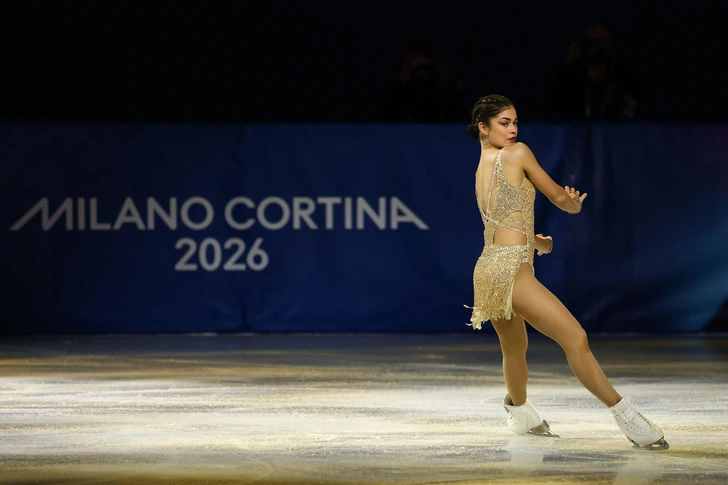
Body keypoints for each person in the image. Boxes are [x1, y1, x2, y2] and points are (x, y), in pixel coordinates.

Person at [464, 94, 668, 450]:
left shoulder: (480, 170)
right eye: (504, 123)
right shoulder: (517, 153)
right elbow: (559, 197)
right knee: (576, 339)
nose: (513, 130)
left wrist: (536, 242)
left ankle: (520, 412)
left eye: (515, 122)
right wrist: (572, 205)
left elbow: (500, 222)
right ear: (483, 127)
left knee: (515, 349)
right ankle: (628, 418)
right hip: (511, 271)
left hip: (487, 269)